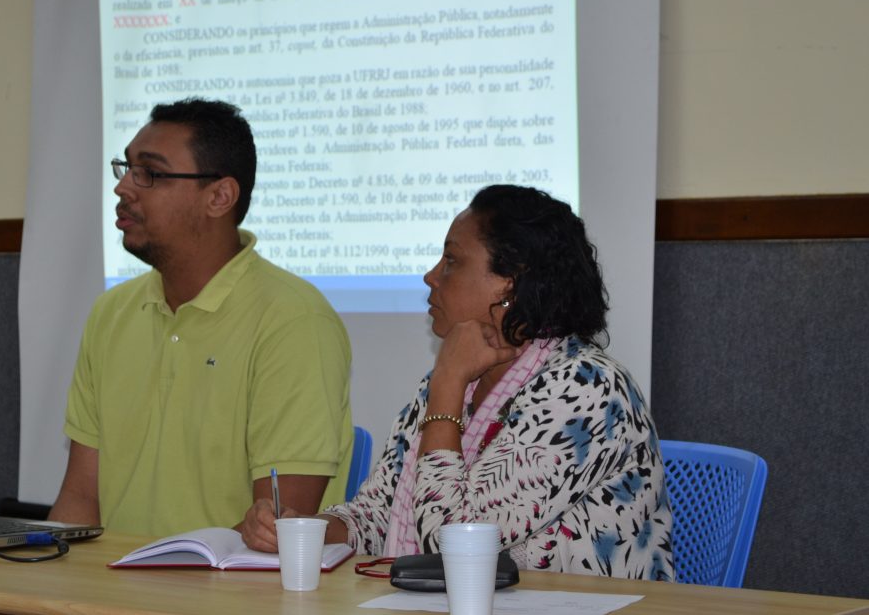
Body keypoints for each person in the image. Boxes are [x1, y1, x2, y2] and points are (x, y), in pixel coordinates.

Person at [242, 184, 673, 580]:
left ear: (510, 284)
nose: (431, 276)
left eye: (451, 262)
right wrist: (299, 530)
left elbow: (455, 542)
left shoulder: (587, 389)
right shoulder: (454, 383)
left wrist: (446, 386)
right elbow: (377, 514)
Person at [49, 98, 353, 537]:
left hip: (229, 581)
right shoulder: (110, 313)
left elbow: (277, 530)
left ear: (219, 197)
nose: (124, 188)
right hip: (112, 579)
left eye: (150, 173)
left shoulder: (295, 322)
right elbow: (80, 497)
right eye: (127, 168)